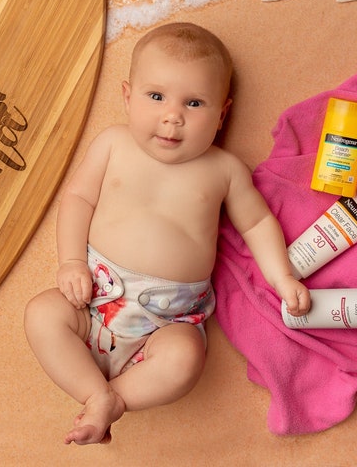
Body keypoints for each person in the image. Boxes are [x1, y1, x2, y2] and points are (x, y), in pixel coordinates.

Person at [24, 22, 311, 445]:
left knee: (186, 359)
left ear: (222, 115)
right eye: (156, 96)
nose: (172, 116)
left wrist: (282, 276)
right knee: (41, 314)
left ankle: (111, 400)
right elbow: (78, 199)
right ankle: (94, 392)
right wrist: (69, 260)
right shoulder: (112, 144)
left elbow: (257, 223)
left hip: (167, 321)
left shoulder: (224, 170)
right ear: (127, 96)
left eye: (194, 103)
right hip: (93, 299)